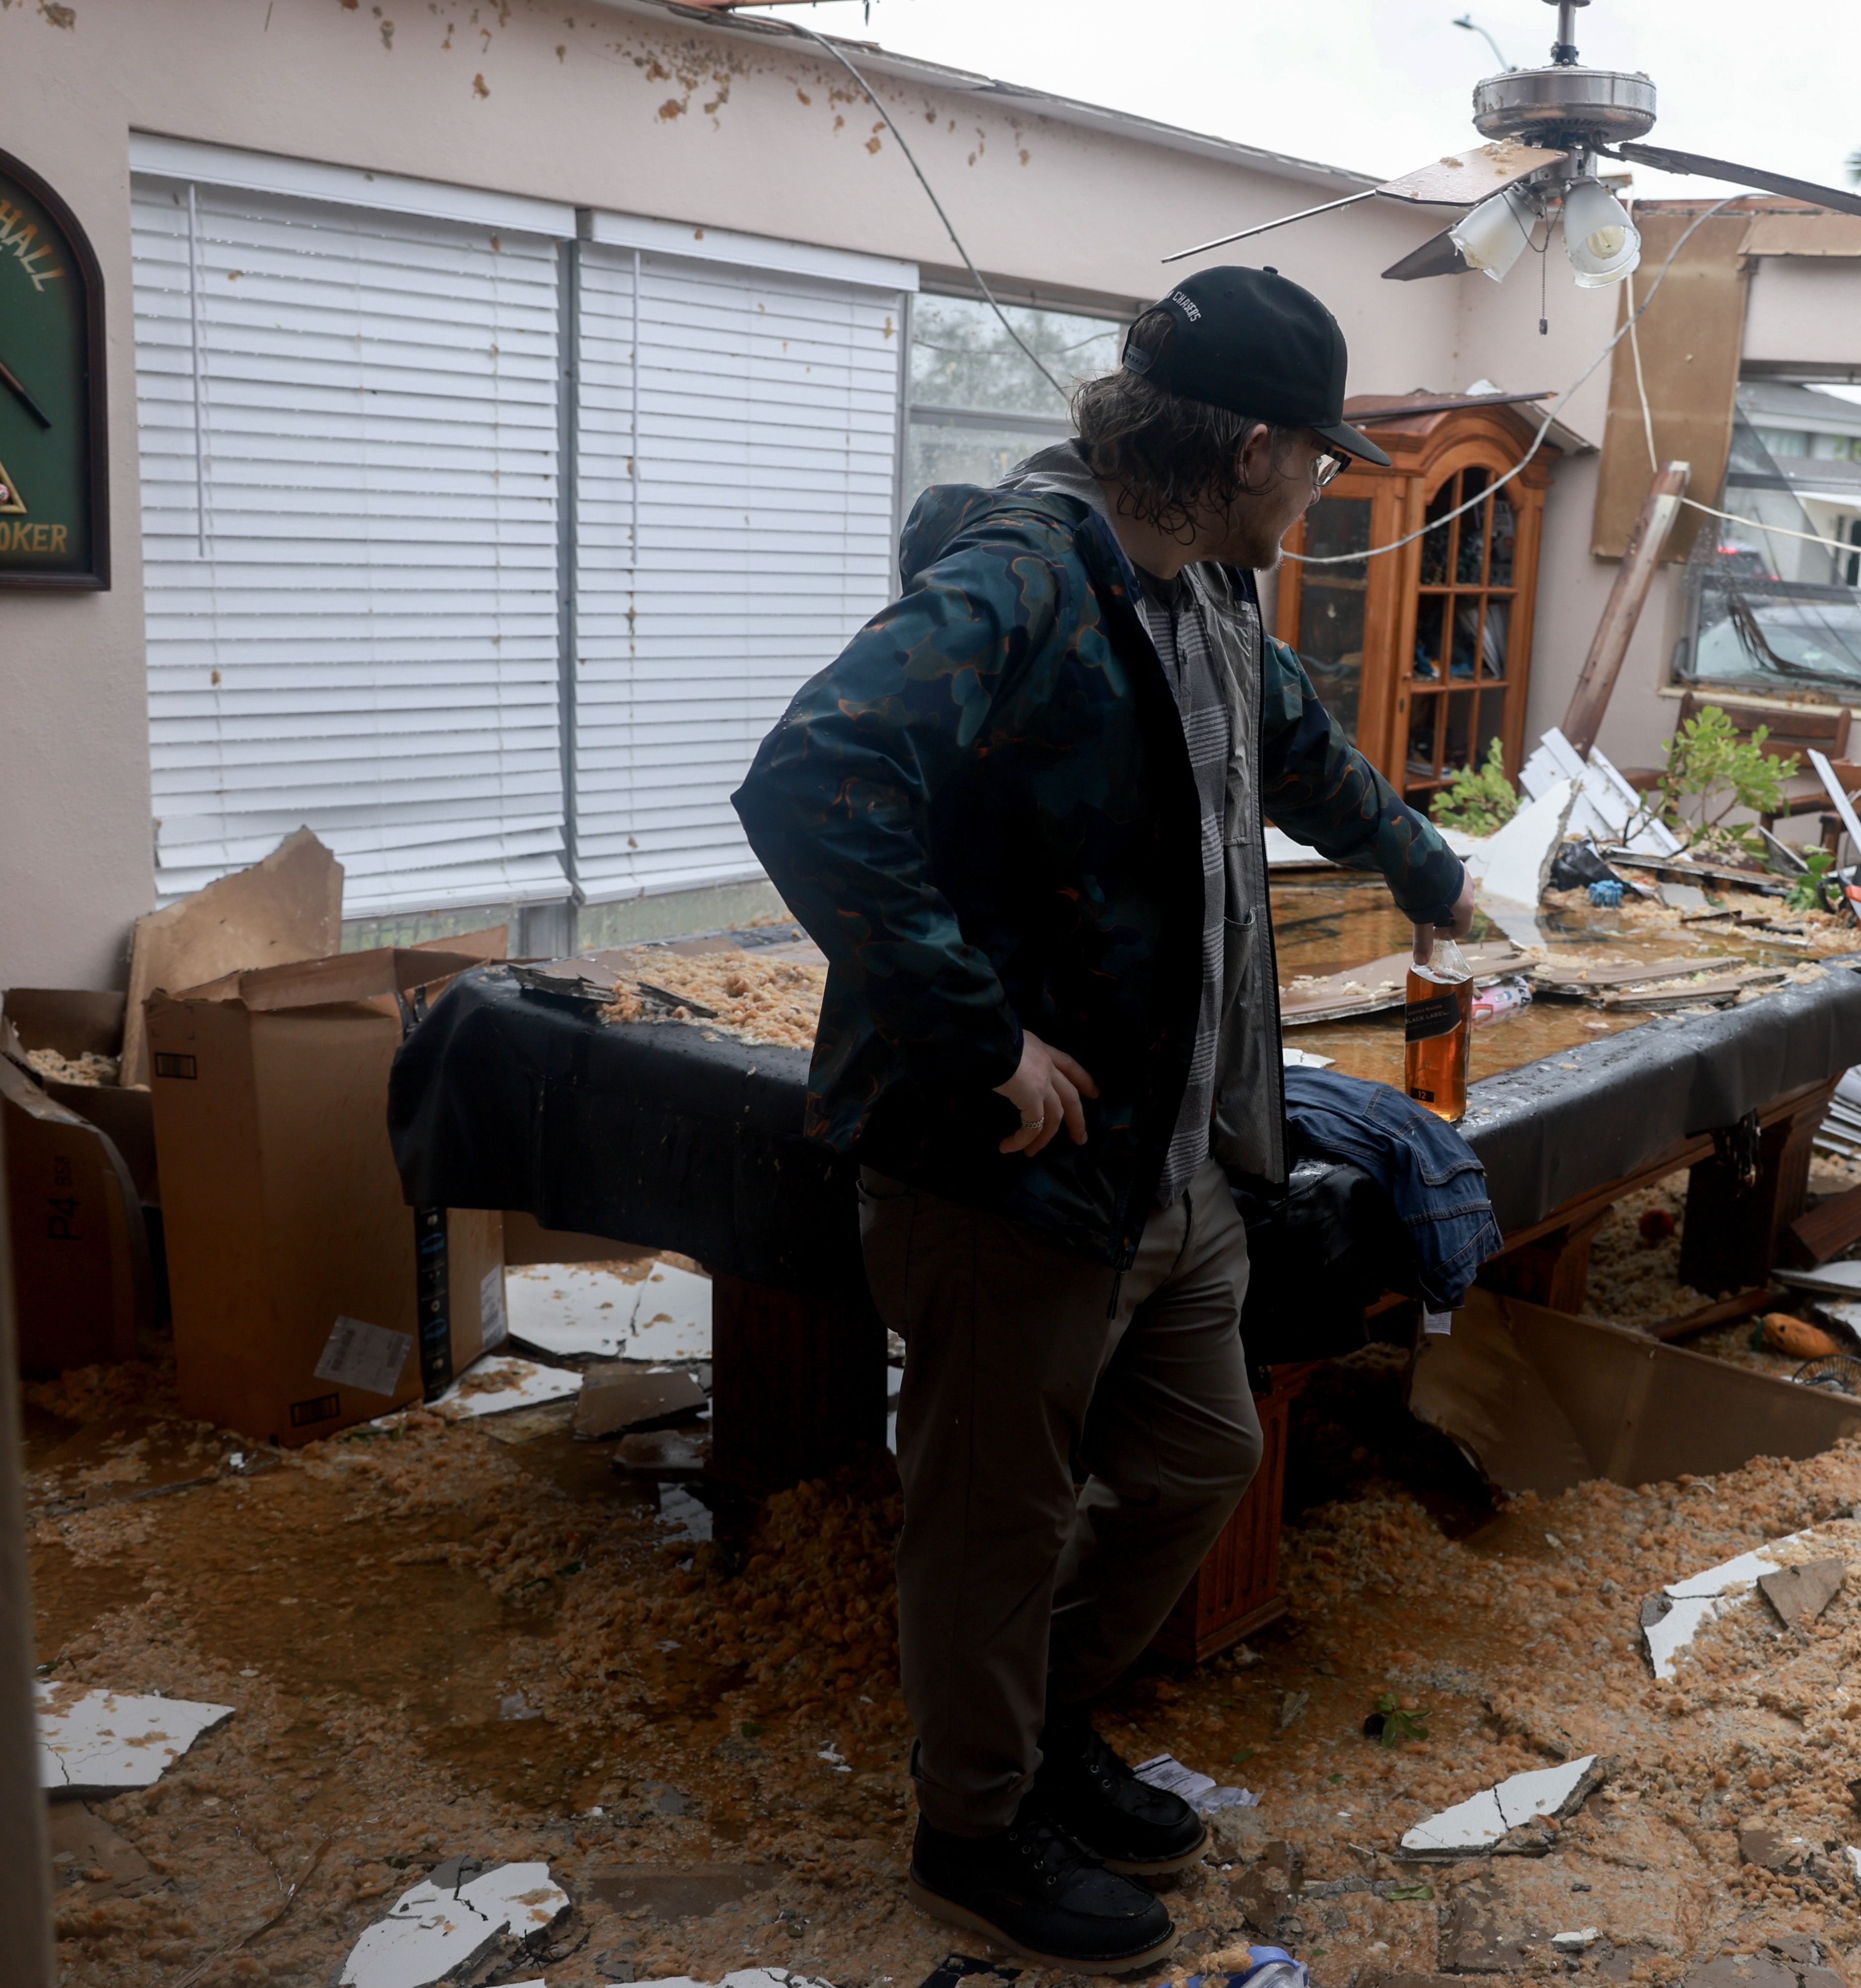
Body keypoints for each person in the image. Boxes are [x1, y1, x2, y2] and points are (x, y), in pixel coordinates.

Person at [732, 265, 1475, 1973]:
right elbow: (816, 777)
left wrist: (1422, 860)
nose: (1322, 484)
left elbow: (1284, 747)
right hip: (1012, 1176)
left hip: (1174, 1160)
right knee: (990, 1523)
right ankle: (973, 1832)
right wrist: (980, 1037)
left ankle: (1043, 1727)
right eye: (1317, 456)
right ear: (1247, 448)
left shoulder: (1206, 583)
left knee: (1205, 1455)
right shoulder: (1026, 573)